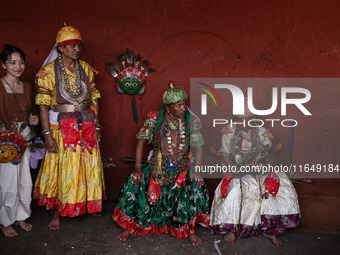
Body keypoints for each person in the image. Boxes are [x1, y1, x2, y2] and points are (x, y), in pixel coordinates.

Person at [113, 82, 210, 246]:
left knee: (194, 184)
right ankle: (132, 226)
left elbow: (199, 146)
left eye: (184, 104)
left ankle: (189, 229)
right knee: (137, 182)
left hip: (181, 167)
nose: (183, 108)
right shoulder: (155, 120)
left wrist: (197, 170)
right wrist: (137, 168)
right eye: (178, 105)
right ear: (167, 108)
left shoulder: (190, 121)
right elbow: (141, 142)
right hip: (157, 166)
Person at [33, 25, 105, 230]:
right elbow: (43, 105)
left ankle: (89, 202)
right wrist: (47, 134)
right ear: (61, 48)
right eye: (71, 45)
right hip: (61, 126)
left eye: (78, 45)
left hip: (87, 122)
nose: (76, 49)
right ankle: (58, 211)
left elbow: (95, 98)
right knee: (63, 168)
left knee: (88, 164)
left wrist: (97, 124)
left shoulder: (87, 68)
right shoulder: (47, 72)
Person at [209, 106, 300, 247]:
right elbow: (225, 155)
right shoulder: (229, 132)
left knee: (279, 184)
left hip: (259, 169)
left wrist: (263, 166)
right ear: (236, 119)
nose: (244, 123)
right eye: (240, 119)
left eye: (248, 119)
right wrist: (235, 168)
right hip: (237, 170)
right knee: (235, 190)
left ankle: (268, 229)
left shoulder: (263, 133)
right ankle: (232, 229)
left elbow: (270, 156)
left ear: (253, 119)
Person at [0, 44, 39, 237]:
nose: (18, 66)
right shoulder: (0, 86)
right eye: (12, 62)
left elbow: (31, 112)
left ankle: (21, 216)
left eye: (21, 62)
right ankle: (5, 220)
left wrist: (34, 119)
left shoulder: (27, 87)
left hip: (24, 140)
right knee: (7, 182)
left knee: (25, 180)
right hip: (5, 142)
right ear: (4, 65)